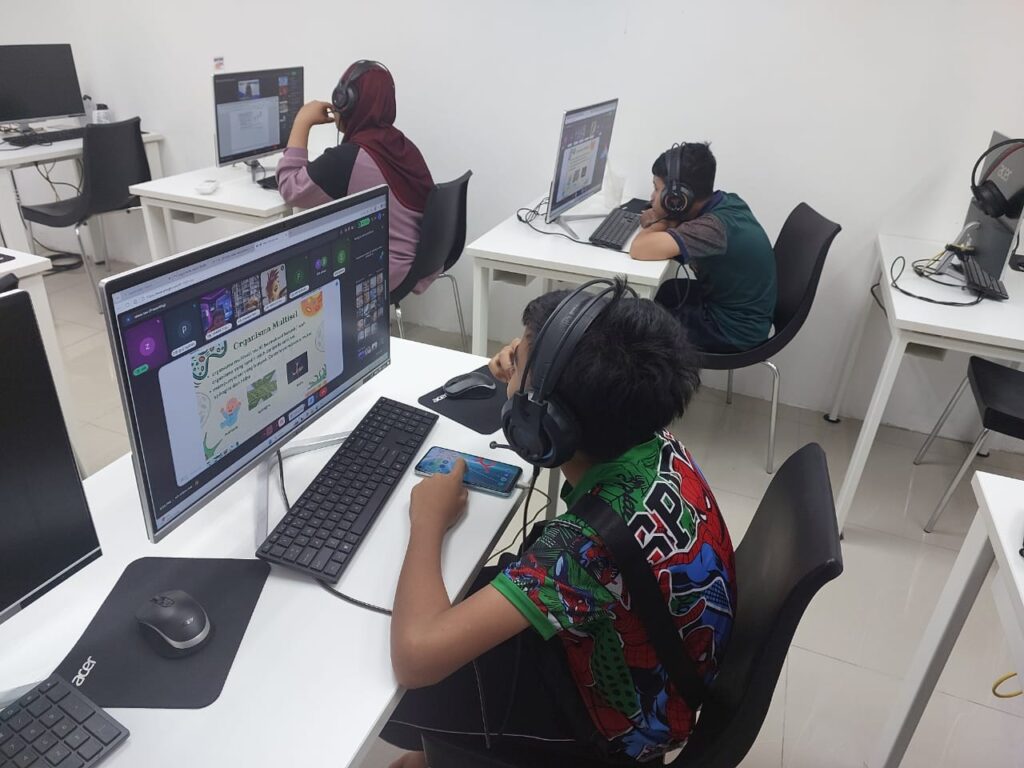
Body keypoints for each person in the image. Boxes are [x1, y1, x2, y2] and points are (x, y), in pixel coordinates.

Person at [381, 281, 737, 767]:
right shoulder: (650, 435)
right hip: (664, 658)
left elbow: (416, 659)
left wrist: (429, 520)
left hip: (613, 728)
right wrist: (530, 372)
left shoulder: (584, 550)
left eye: (519, 361)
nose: (508, 362)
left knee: (393, 689)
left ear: (544, 424)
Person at [277, 61, 437, 293]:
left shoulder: (347, 159)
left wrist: (302, 120)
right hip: (418, 261)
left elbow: (289, 187)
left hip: (387, 267)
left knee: (299, 265)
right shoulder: (401, 144)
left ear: (346, 101)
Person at [629, 142, 777, 353]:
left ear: (676, 198)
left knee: (636, 326)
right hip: (737, 312)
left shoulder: (711, 228)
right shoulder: (728, 202)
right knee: (663, 292)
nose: (652, 197)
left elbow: (640, 248)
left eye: (657, 189)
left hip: (731, 330)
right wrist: (666, 216)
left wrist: (663, 218)